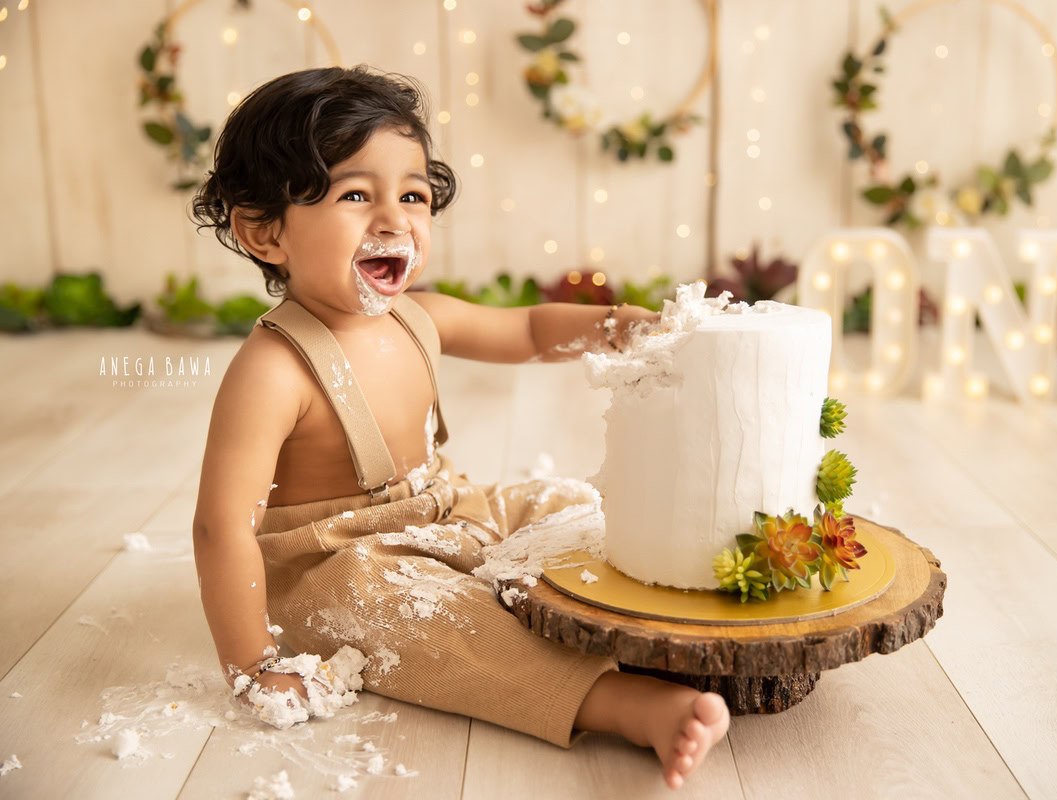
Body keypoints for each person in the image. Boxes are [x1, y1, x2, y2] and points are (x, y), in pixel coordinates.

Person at [188, 65, 728, 790]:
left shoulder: (422, 315)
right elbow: (221, 527)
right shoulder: (274, 369)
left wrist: (617, 327)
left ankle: (657, 623)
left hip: (446, 507)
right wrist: (254, 662)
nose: (394, 220)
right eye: (355, 195)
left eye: (411, 195)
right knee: (440, 625)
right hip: (333, 563)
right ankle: (629, 705)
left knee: (576, 511)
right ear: (264, 232)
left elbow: (531, 329)